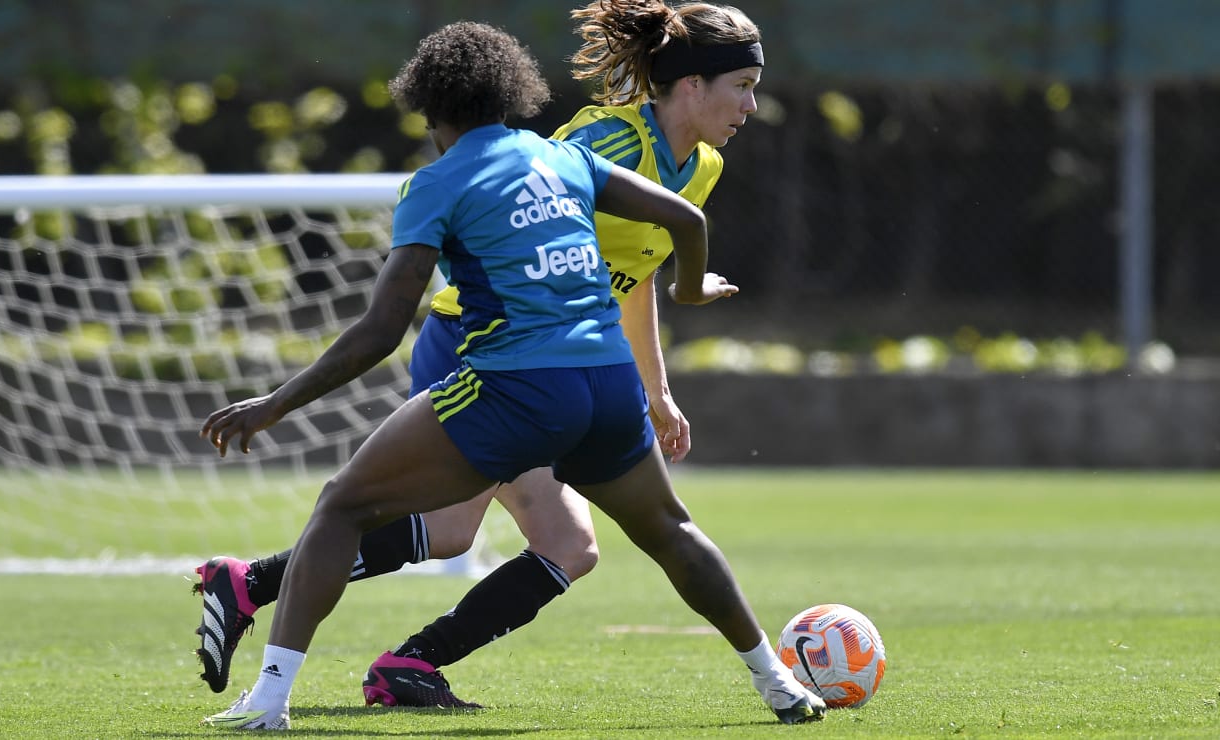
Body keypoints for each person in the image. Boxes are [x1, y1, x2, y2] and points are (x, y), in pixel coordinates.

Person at [199, 20, 823, 731]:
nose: (748, 106)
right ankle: (777, 683)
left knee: (351, 506)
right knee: (640, 533)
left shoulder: (438, 181)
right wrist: (680, 312)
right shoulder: (579, 151)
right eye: (742, 88)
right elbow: (663, 227)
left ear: (430, 110)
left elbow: (381, 328)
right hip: (586, 373)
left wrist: (276, 404)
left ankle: (269, 679)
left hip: (516, 377)